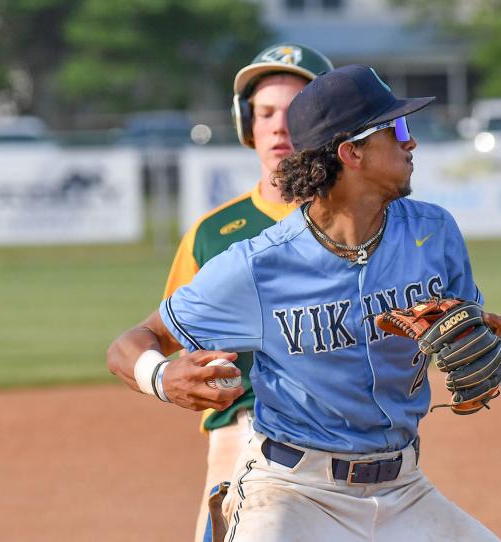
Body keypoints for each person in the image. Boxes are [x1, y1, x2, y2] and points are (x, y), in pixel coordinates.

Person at [108, 64, 501, 541]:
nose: (410, 141)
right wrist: (162, 376)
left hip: (404, 490)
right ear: (351, 152)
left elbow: (474, 327)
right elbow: (130, 344)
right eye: (395, 128)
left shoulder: (433, 231)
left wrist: (486, 340)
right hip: (293, 493)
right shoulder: (259, 266)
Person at [161, 43, 333, 541]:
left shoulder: (358, 223)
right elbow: (170, 336)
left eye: (295, 111)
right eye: (265, 113)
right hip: (242, 431)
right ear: (246, 124)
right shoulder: (213, 234)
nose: (279, 126)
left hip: (346, 433)